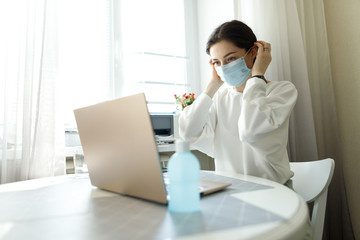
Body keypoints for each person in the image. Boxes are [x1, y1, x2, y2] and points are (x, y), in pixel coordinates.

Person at [179, 20, 297, 185]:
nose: (224, 67)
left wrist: (257, 76)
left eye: (231, 58)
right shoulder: (220, 98)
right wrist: (211, 88)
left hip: (273, 192)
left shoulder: (281, 91)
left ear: (253, 52)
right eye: (217, 62)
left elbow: (251, 132)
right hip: (231, 192)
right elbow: (187, 133)